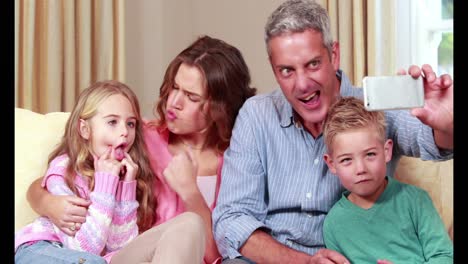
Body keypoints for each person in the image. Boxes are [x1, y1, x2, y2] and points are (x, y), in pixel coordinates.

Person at [211, 0, 453, 263]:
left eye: (313, 64)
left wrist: (448, 122)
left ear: (334, 54)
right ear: (273, 68)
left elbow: (433, 142)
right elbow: (232, 218)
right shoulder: (256, 115)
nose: (302, 84)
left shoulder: (373, 107)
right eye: (286, 71)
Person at [26, 35, 257, 264]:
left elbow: (219, 255)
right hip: (130, 254)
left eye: (191, 96)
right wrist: (48, 204)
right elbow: (57, 178)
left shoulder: (237, 161)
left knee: (191, 225)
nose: (174, 102)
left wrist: (190, 193)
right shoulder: (138, 135)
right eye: (174, 87)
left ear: (220, 107)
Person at [15, 80, 160, 263]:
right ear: (85, 129)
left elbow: (120, 249)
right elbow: (84, 248)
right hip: (40, 248)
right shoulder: (63, 171)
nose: (124, 131)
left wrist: (126, 188)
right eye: (112, 122)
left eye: (130, 124)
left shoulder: (122, 176)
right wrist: (105, 185)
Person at [322, 97, 453, 263]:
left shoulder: (416, 200)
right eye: (347, 160)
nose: (361, 169)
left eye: (370, 154)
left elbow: (444, 257)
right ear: (331, 164)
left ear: (387, 151)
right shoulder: (333, 224)